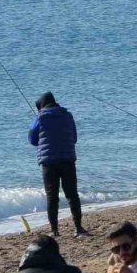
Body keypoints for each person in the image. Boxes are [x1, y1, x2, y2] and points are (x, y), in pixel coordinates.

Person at [28, 91, 89, 238]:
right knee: (72, 194)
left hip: (49, 163)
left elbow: (32, 139)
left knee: (52, 196)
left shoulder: (40, 118)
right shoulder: (67, 115)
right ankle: (78, 228)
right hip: (68, 160)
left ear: (41, 106)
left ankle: (54, 231)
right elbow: (74, 137)